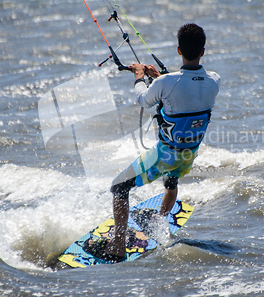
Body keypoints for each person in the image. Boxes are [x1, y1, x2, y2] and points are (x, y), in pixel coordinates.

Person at [90, 23, 220, 262]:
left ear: (178, 50)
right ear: (203, 51)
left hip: (165, 155)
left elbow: (143, 100)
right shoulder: (214, 81)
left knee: (119, 188)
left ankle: (118, 245)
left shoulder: (166, 83)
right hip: (188, 155)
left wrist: (140, 76)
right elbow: (185, 91)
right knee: (171, 179)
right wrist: (159, 78)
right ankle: (160, 218)